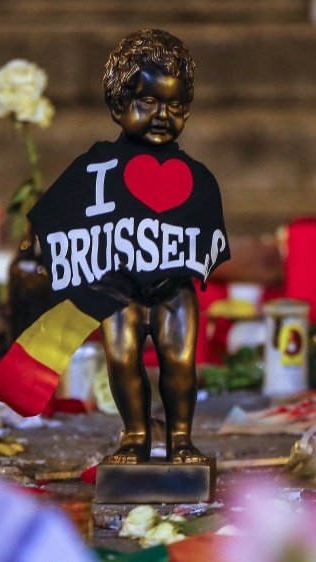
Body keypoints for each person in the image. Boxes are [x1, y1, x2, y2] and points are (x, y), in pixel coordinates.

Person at [96, 29, 213, 464]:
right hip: (119, 288)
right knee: (122, 359)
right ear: (117, 105)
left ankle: (181, 436)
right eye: (148, 102)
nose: (163, 115)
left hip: (173, 286)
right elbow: (68, 215)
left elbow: (205, 229)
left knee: (180, 364)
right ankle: (135, 434)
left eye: (176, 105)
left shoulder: (193, 175)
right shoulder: (98, 171)